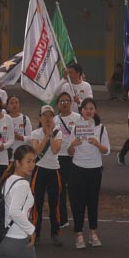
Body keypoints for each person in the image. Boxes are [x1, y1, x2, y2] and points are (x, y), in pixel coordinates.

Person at [67, 97, 110, 248]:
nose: (88, 111)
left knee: (92, 202)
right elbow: (70, 152)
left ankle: (93, 233)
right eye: (85, 108)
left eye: (91, 108)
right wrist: (73, 145)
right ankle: (79, 234)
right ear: (81, 110)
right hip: (78, 168)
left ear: (95, 111)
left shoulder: (101, 128)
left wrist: (97, 144)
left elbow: (107, 151)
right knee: (78, 202)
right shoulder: (76, 127)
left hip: (95, 169)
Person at [28, 105, 65, 245]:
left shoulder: (58, 133)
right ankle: (35, 233)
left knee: (54, 204)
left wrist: (51, 134)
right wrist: (46, 135)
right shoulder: (35, 133)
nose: (48, 118)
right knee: (37, 203)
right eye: (45, 115)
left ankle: (55, 232)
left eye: (50, 115)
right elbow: (36, 150)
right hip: (39, 170)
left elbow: (55, 149)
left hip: (54, 170)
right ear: (40, 118)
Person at [52, 91, 78, 229]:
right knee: (60, 190)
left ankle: (77, 219)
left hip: (74, 158)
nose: (65, 103)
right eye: (61, 101)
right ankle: (63, 219)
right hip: (59, 158)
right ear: (58, 104)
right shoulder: (54, 120)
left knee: (74, 190)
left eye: (67, 100)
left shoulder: (78, 118)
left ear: (71, 103)